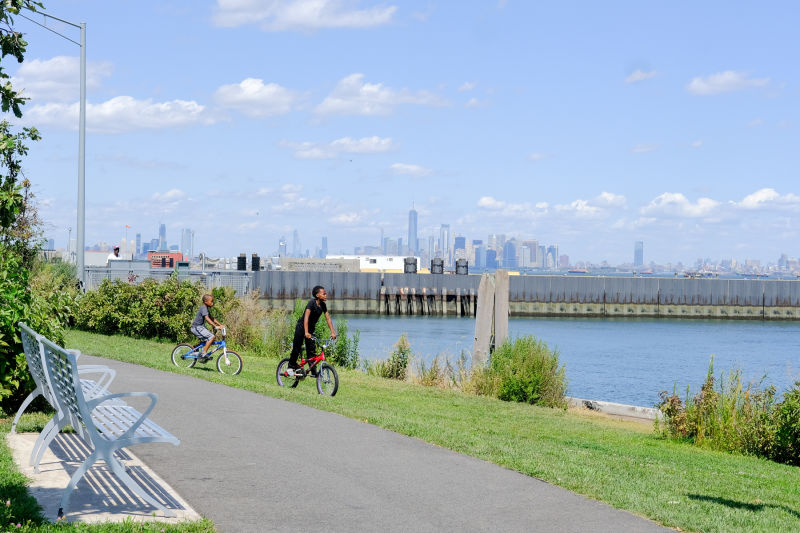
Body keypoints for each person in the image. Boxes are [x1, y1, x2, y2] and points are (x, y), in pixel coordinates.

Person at [287, 285, 336, 377]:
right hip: (302, 327)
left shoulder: (323, 305)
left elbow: (328, 319)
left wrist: (332, 332)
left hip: (310, 330)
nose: (326, 295)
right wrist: (306, 332)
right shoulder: (311, 303)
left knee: (312, 350)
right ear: (317, 295)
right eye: (324, 294)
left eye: (326, 294)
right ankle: (290, 366)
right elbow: (306, 317)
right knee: (297, 347)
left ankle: (313, 371)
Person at [190, 294, 225, 361]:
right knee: (211, 337)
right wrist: (215, 326)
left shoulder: (206, 309)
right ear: (206, 302)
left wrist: (220, 325)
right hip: (197, 327)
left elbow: (212, 318)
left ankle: (195, 348)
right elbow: (207, 318)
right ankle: (204, 353)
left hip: (200, 327)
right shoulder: (203, 308)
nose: (213, 303)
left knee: (210, 340)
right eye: (211, 301)